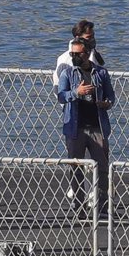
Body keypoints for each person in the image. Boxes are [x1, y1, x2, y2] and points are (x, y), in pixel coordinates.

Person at [57, 38, 115, 220]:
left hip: (97, 126)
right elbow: (60, 96)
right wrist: (77, 93)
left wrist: (107, 104)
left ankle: (103, 207)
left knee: (103, 168)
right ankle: (79, 208)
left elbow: (111, 96)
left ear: (87, 52)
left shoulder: (101, 73)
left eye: (77, 54)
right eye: (71, 54)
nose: (74, 57)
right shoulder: (67, 73)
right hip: (75, 127)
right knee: (76, 168)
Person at [53, 20, 104, 88]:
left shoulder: (93, 54)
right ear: (77, 38)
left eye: (93, 36)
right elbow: (59, 89)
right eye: (89, 37)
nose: (92, 39)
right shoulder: (65, 60)